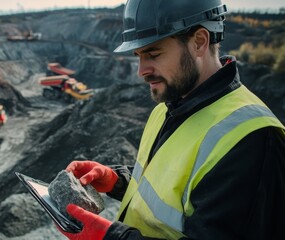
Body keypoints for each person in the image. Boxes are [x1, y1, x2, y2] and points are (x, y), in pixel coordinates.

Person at [57, 0, 285, 239]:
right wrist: (117, 181)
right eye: (139, 56)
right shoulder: (170, 107)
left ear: (199, 42)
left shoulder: (253, 140)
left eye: (153, 54)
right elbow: (172, 186)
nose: (141, 70)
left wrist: (111, 237)